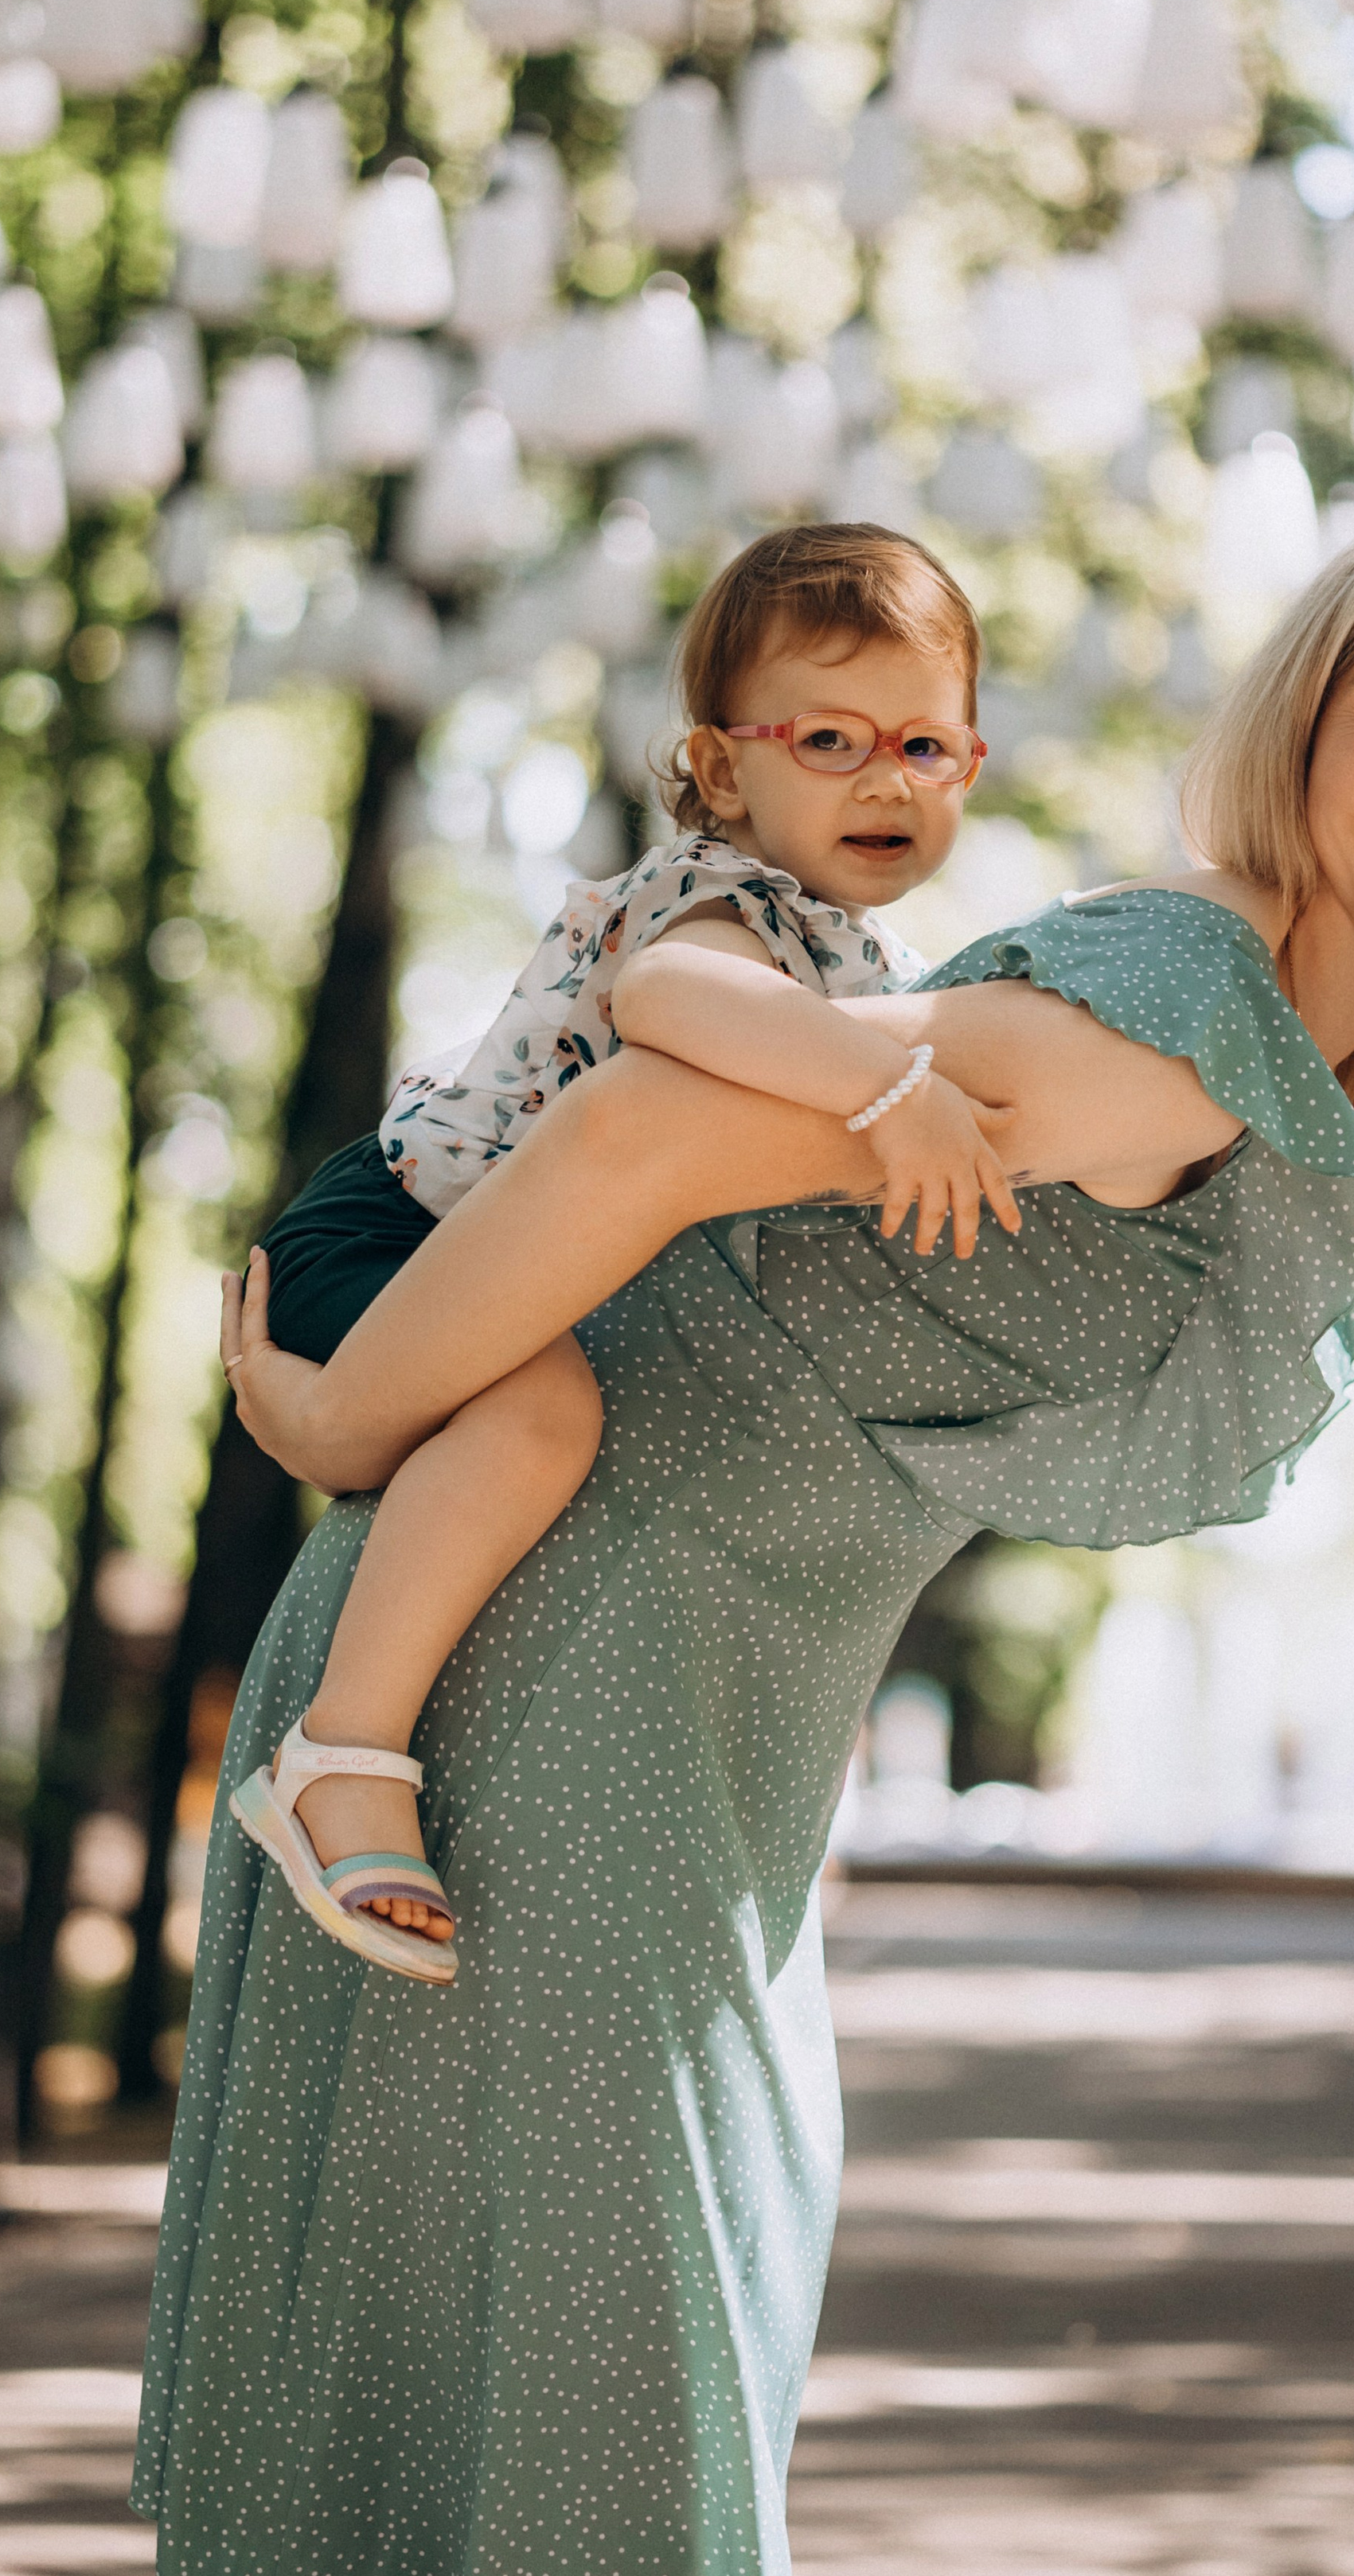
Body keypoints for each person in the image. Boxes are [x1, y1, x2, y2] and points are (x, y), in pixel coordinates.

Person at [137, 505, 1354, 2576]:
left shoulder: (1276, 1050)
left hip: (671, 1737)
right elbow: (634, 1133)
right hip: (546, 1688)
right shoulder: (1175, 1020)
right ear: (1304, 734)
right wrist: (343, 1421)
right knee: (614, 2526)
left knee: (575, 2508)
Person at [231, 524, 1015, 1980]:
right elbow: (671, 1005)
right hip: (397, 1233)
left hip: (496, 1267)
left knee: (544, 1415)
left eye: (926, 746)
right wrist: (894, 1090)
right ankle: (339, 1756)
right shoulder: (721, 901)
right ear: (723, 770)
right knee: (540, 1416)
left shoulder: (862, 962)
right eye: (830, 740)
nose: (887, 780)